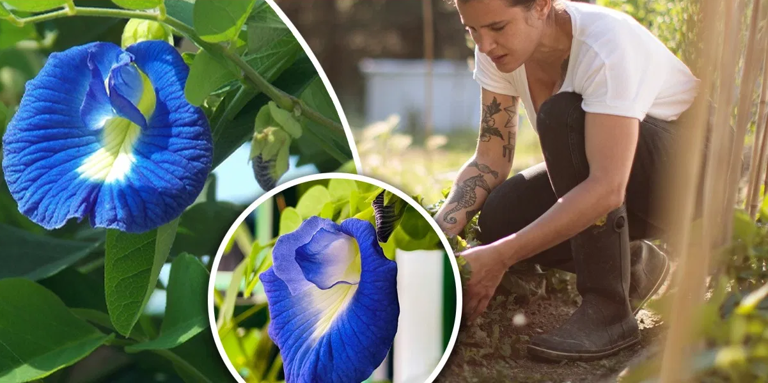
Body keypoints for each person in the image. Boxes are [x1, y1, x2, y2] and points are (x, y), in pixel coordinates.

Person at [434, 0, 699, 361]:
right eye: (472, 31)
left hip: (692, 173)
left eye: (497, 28)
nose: (484, 45)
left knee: (562, 116)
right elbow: (490, 158)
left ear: (541, 5)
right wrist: (440, 232)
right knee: (502, 215)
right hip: (619, 178)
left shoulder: (605, 44)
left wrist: (501, 257)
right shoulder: (497, 53)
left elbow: (607, 188)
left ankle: (609, 309)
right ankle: (634, 268)